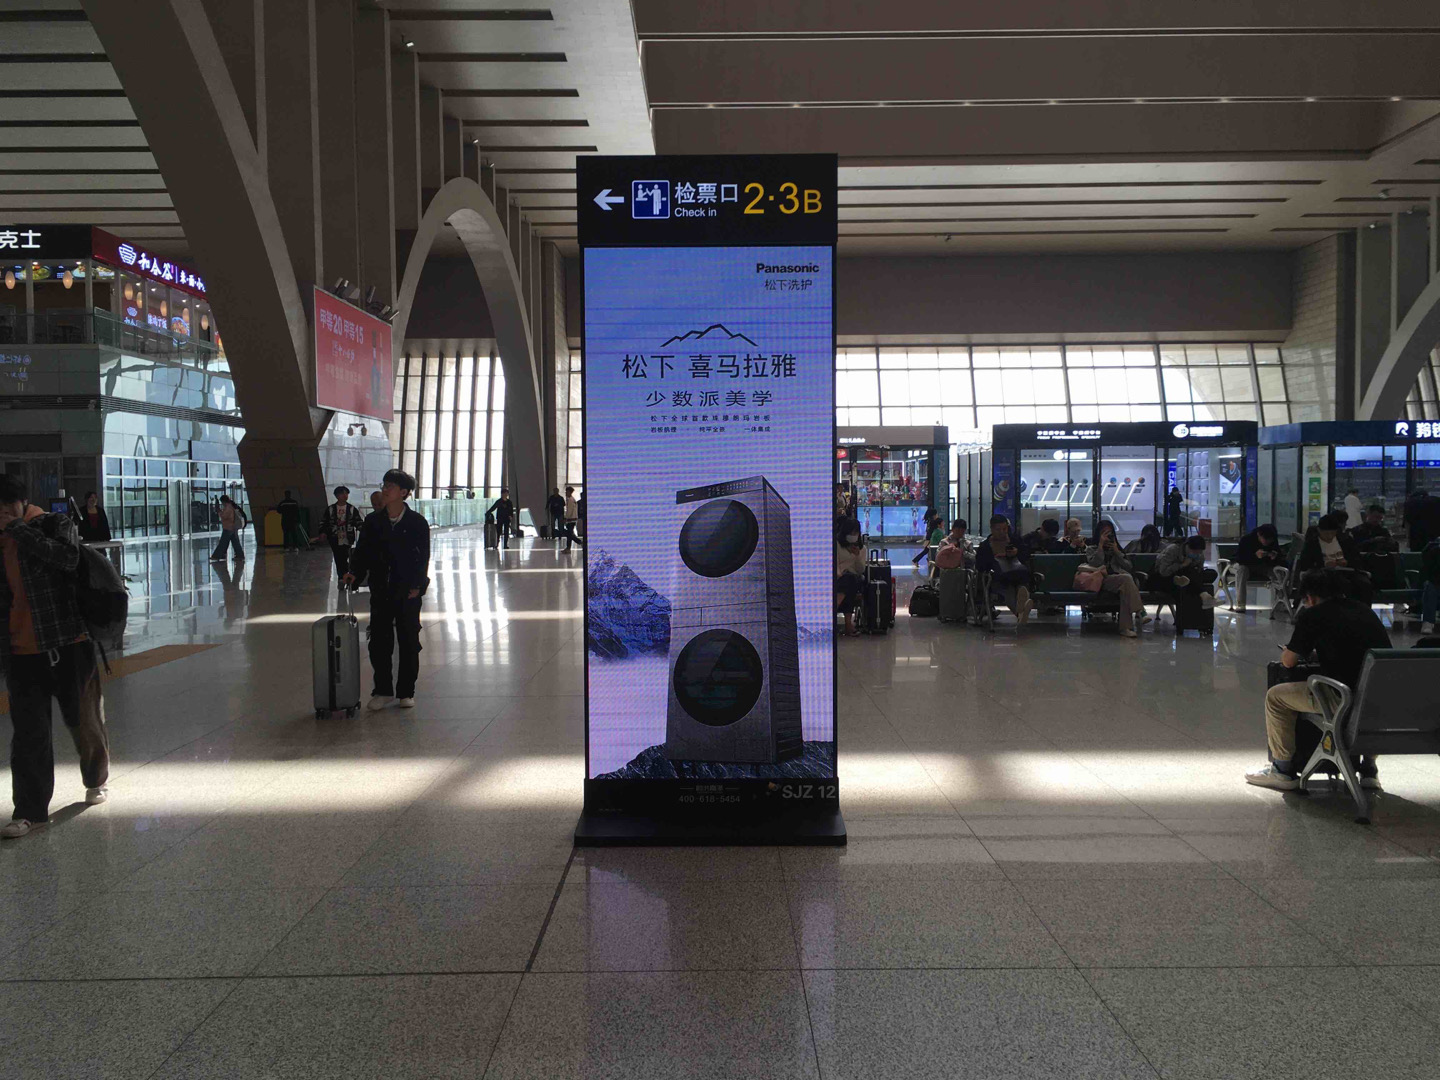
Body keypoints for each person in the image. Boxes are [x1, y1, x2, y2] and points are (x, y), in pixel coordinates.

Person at [0, 474, 109, 838]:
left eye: (7, 507)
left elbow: (66, 558)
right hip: (21, 651)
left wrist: (19, 530)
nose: (2, 514)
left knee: (84, 721)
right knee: (29, 734)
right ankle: (30, 811)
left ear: (21, 503)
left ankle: (96, 779)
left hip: (69, 643)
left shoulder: (53, 523)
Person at [1246, 568, 1389, 792]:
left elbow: (1289, 662)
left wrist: (1292, 651)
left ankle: (1282, 770)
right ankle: (1369, 770)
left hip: (1342, 699)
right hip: (1377, 702)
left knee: (1276, 697)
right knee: (1369, 698)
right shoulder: (1365, 611)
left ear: (1310, 597)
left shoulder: (1313, 615)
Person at [342, 469, 430, 710]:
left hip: (407, 591)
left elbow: (423, 558)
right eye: (384, 485)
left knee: (408, 641)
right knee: (379, 642)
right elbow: (362, 552)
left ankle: (406, 692)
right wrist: (354, 573)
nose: (385, 489)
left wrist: (418, 585)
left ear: (403, 492)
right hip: (381, 589)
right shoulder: (373, 522)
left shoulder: (417, 523)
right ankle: (382, 691)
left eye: (390, 486)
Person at [1085, 519, 1146, 638]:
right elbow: (1095, 564)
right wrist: (1100, 546)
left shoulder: (1116, 548)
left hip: (1119, 580)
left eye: (1110, 533)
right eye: (1104, 533)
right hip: (1102, 580)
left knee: (1125, 587)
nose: (1108, 536)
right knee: (1126, 579)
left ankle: (1125, 628)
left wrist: (1117, 552)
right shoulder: (1091, 548)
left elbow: (1128, 566)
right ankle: (1140, 611)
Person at [976, 514, 1033, 625]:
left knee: (1020, 588)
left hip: (1017, 575)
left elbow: (1027, 554)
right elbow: (980, 566)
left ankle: (1021, 612)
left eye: (1004, 529)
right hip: (999, 579)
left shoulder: (1015, 540)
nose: (1002, 532)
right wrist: (994, 559)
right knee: (1009, 590)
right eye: (998, 529)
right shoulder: (985, 546)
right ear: (992, 529)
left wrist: (1016, 553)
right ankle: (1021, 612)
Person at [1154, 535, 1219, 608]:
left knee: (1211, 573)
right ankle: (1205, 596)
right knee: (1189, 573)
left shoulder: (1199, 555)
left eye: (1199, 552)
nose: (1197, 554)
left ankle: (1200, 592)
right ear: (1187, 547)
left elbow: (1200, 569)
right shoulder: (1173, 550)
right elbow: (1163, 571)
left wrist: (1196, 567)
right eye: (1195, 552)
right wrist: (1182, 565)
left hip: (1189, 576)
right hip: (1168, 576)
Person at [318, 486, 363, 582]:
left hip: (348, 538)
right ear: (337, 495)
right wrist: (323, 532)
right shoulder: (330, 509)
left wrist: (363, 530)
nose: (345, 495)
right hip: (334, 538)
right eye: (343, 493)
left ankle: (344, 575)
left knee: (346, 556)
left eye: (346, 493)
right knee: (338, 557)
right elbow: (324, 522)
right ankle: (342, 577)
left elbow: (358, 521)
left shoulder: (351, 509)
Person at [835, 518, 866, 636]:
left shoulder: (862, 549)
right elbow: (835, 564)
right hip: (839, 577)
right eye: (851, 533)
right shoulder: (837, 545)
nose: (853, 535)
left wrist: (857, 556)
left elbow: (860, 570)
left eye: (855, 533)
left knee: (851, 579)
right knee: (848, 584)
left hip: (853, 578)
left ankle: (835, 606)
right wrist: (839, 575)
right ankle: (848, 624)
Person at [210, 495, 245, 563]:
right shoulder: (231, 506)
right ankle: (239, 556)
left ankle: (217, 556)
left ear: (224, 501)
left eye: (222, 502)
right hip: (232, 528)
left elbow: (224, 516)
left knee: (223, 543)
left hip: (228, 528)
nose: (222, 504)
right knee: (235, 543)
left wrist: (219, 511)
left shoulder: (228, 507)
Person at [1419, 534, 1440, 635]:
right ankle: (1428, 622)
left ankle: (1428, 622)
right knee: (1430, 588)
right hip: (1435, 581)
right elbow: (1428, 570)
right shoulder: (1433, 551)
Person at [563, 485, 581, 550]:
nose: (566, 493)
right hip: (573, 519)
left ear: (570, 492)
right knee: (569, 534)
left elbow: (569, 511)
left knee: (569, 534)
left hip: (570, 520)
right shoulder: (572, 499)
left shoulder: (570, 500)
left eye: (567, 492)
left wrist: (566, 518)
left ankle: (579, 542)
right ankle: (568, 548)